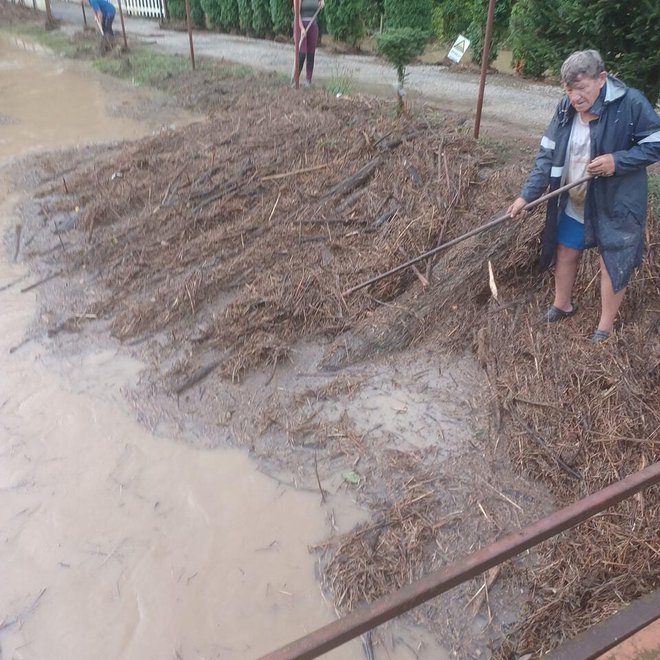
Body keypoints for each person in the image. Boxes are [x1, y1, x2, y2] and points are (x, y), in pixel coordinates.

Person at [507, 49, 660, 342]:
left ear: (601, 78)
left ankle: (605, 327)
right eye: (568, 89)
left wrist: (618, 161)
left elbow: (656, 142)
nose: (575, 96)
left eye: (581, 88)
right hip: (575, 198)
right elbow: (547, 155)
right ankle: (562, 305)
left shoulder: (630, 103)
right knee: (566, 250)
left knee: (611, 260)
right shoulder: (565, 109)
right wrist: (527, 196)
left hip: (617, 201)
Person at [293, 0, 324, 86]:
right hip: (300, 26)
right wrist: (302, 28)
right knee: (302, 53)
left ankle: (308, 80)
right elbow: (297, 14)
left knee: (311, 53)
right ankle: (296, 79)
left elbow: (321, 2)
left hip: (313, 25)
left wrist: (321, 3)